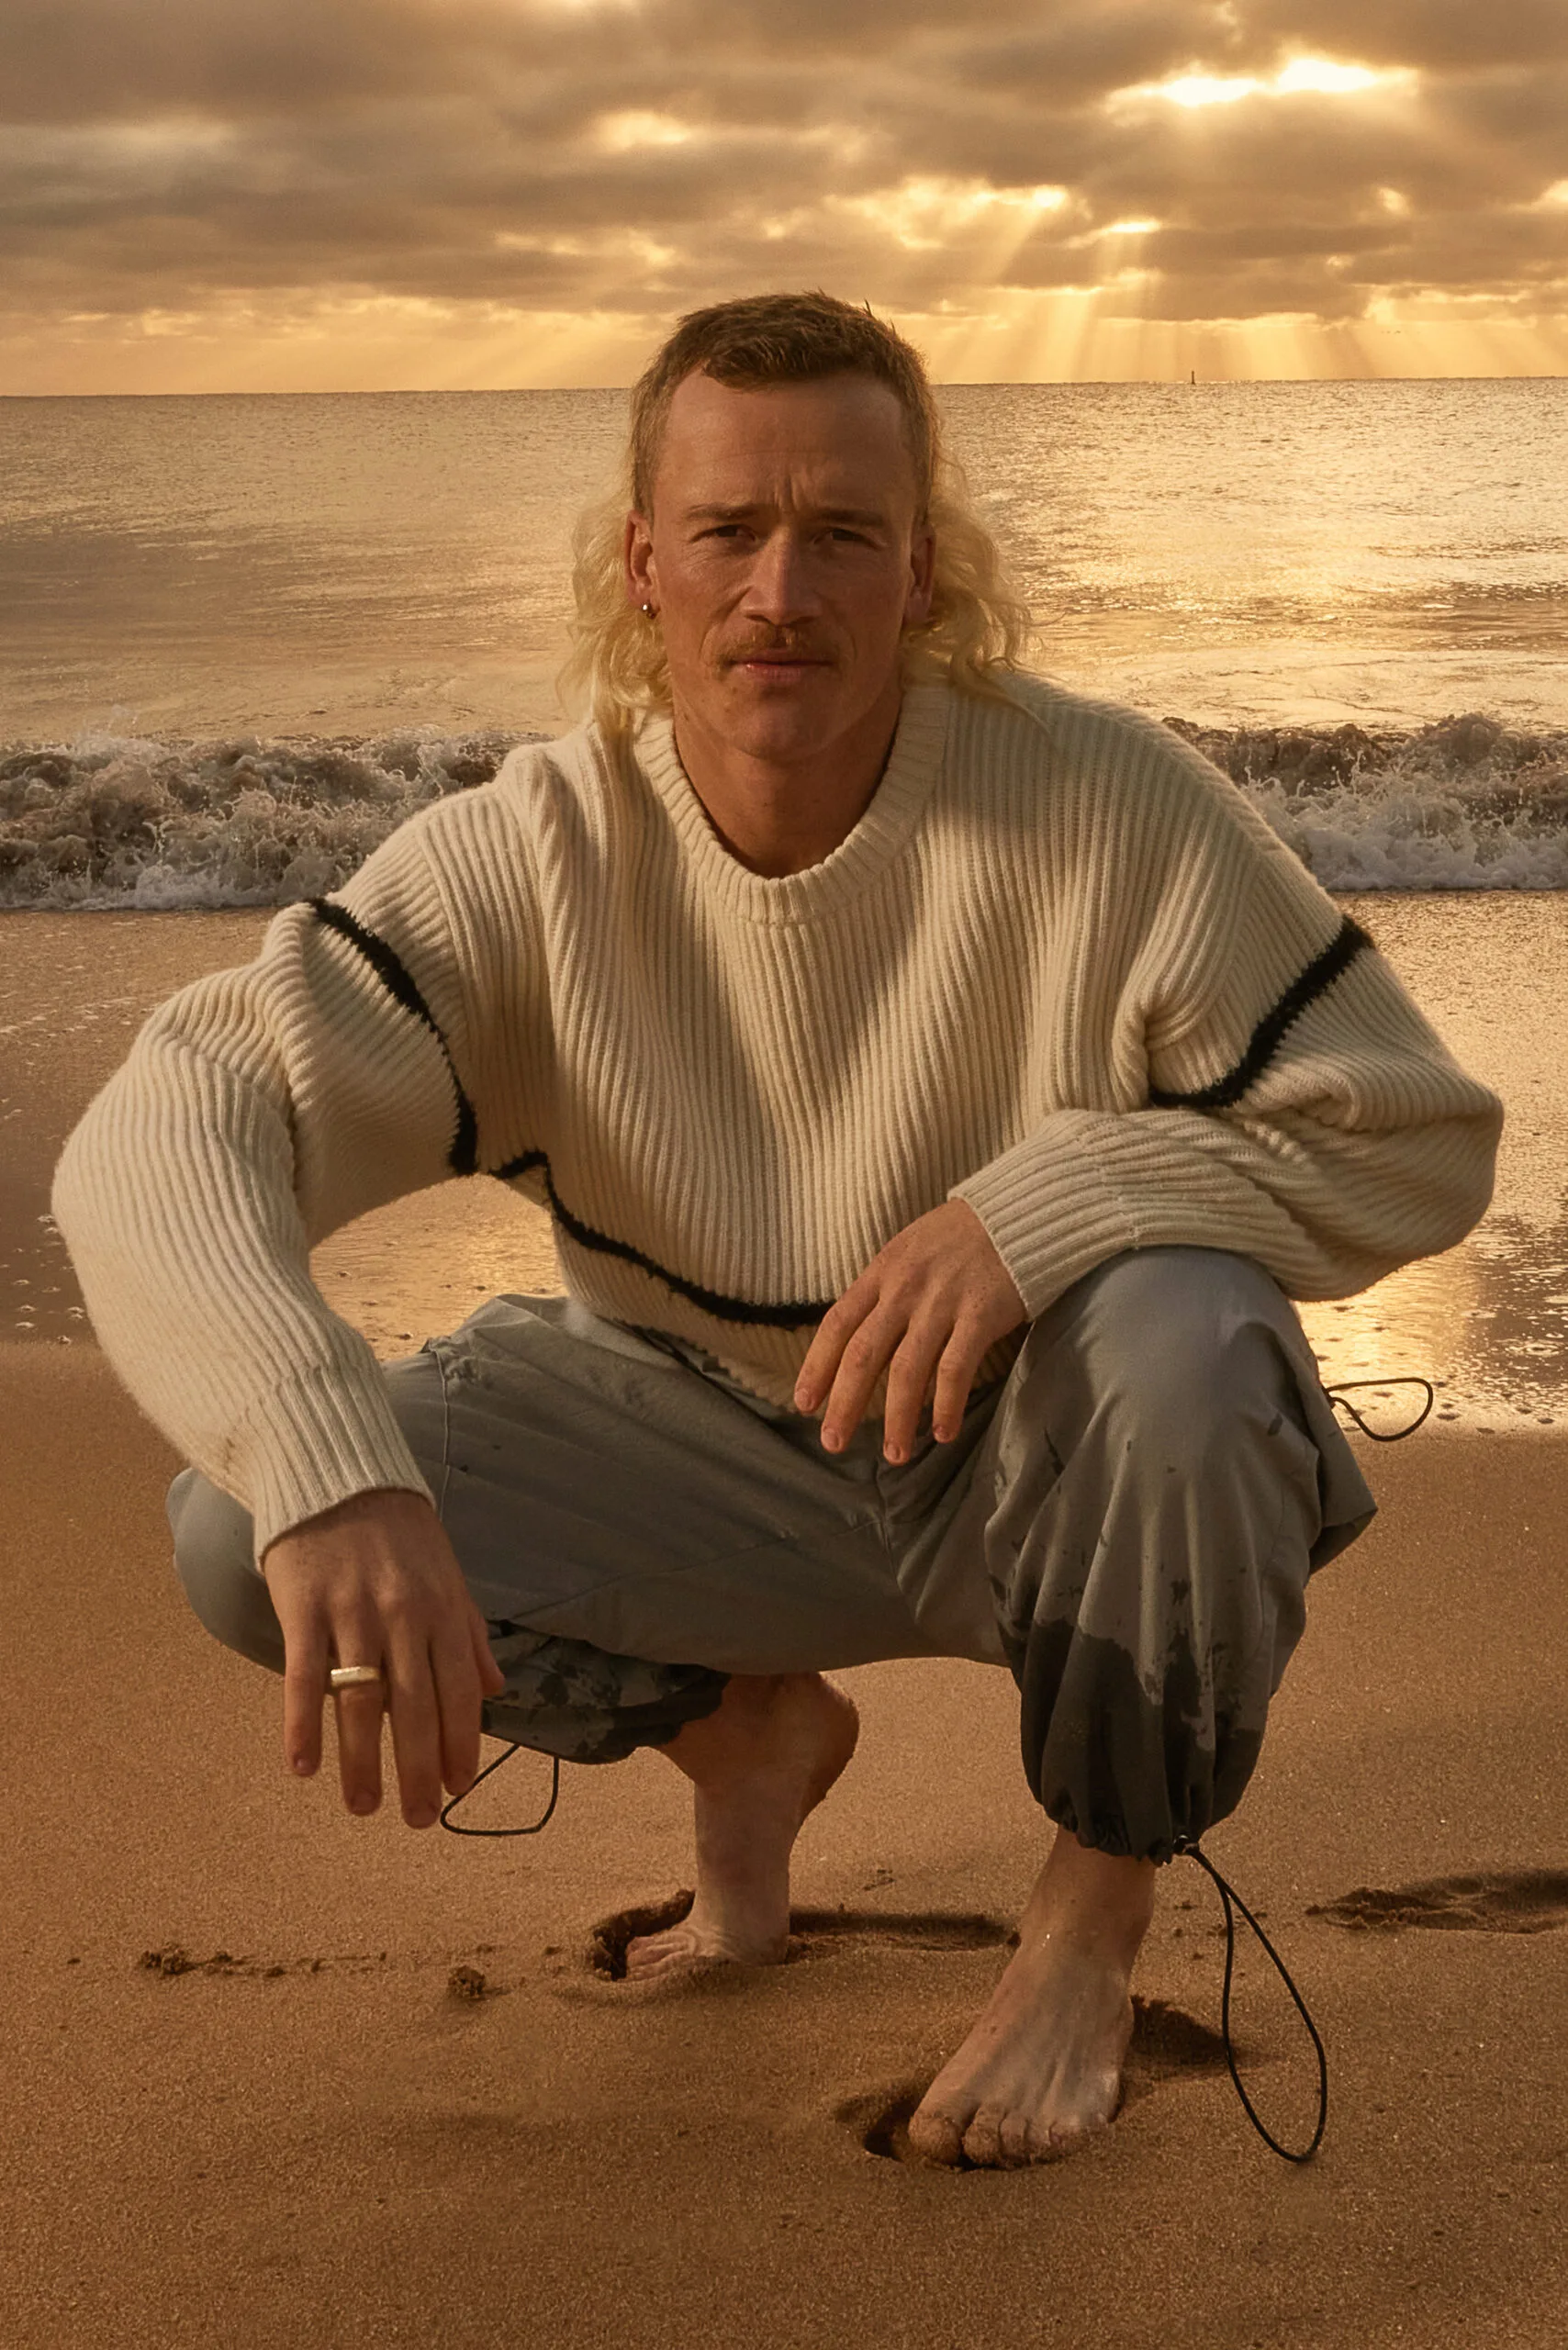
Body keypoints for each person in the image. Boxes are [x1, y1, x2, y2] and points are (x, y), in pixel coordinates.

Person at [53, 291, 1501, 2170]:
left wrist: (1055, 1196)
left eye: (842, 533)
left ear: (922, 572)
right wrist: (329, 1460)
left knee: (1175, 1324)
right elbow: (167, 1127)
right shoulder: (538, 859)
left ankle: (1086, 1915)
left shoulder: (1105, 808)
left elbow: (1411, 1138)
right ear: (643, 562)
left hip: (1044, 1473)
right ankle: (739, 1732)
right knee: (244, 1525)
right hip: (698, 1445)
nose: (778, 590)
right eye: (729, 530)